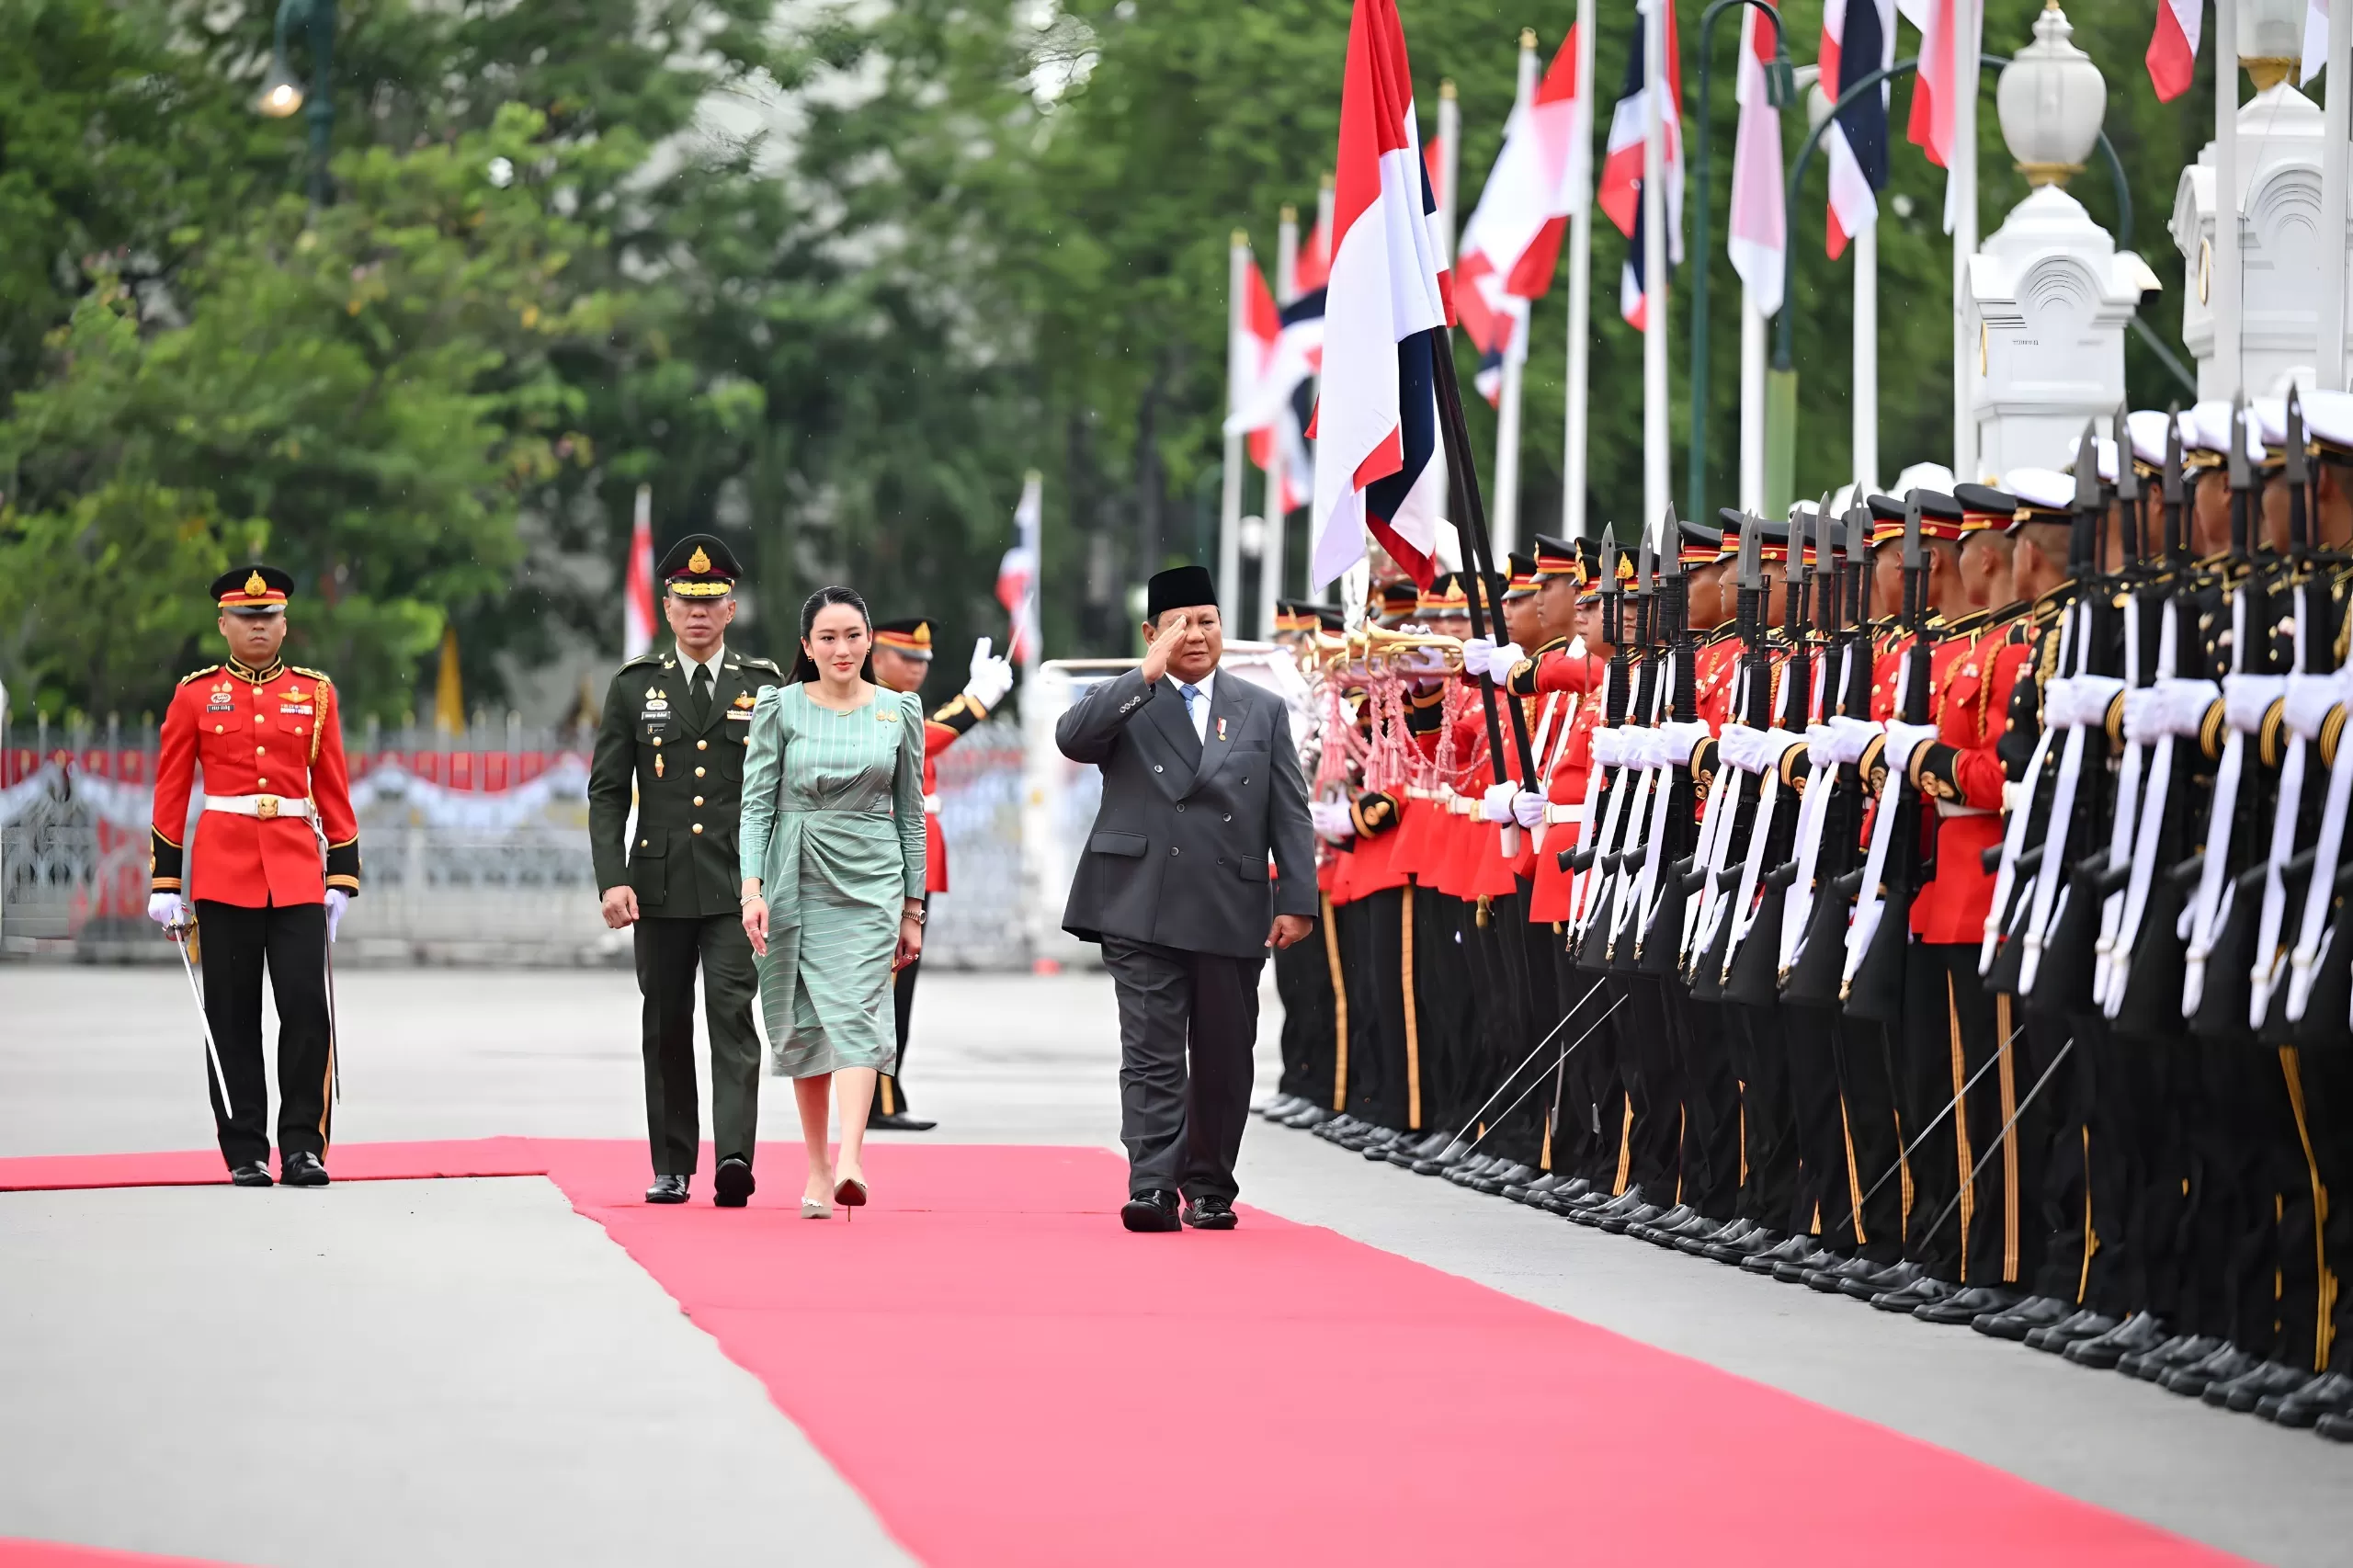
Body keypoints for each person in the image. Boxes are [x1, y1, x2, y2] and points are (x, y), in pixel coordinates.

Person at [1056, 564, 1318, 1232]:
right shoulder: (1129, 698)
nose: (1196, 635)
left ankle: (1208, 1186)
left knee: (1225, 1058)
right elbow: (1073, 738)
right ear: (1152, 634)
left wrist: (1296, 897)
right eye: (1180, 625)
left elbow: (1289, 810)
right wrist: (1142, 675)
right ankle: (1151, 1184)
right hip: (1139, 903)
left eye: (1207, 621)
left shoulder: (1261, 709)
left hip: (1230, 903)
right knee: (1150, 1053)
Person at [147, 565, 361, 1187]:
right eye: (245, 617)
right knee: (232, 1015)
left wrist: (341, 876)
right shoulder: (195, 695)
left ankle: (302, 1146)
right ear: (224, 624)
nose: (258, 626)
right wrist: (166, 884)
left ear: (285, 624)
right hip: (224, 873)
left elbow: (333, 787)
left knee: (306, 1009)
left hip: (295, 872)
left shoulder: (315, 694)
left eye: (268, 617)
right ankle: (245, 1148)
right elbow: (170, 791)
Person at [588, 535, 785, 1208]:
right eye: (686, 601)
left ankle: (733, 1156)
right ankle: (672, 1162)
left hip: (738, 884)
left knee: (732, 1015)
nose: (698, 613)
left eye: (711, 601)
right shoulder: (634, 686)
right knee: (665, 1021)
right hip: (659, 884)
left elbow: (781, 790)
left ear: (731, 608)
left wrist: (773, 879)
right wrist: (612, 877)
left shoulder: (764, 686)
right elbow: (608, 792)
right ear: (667, 608)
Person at [738, 586, 928, 1220]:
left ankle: (851, 1159)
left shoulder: (899, 711)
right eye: (827, 637)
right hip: (793, 874)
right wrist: (752, 891)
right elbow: (756, 806)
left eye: (852, 635)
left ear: (869, 640)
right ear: (807, 646)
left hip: (872, 880)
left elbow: (910, 817)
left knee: (856, 1009)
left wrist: (912, 909)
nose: (841, 648)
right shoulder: (780, 707)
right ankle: (818, 1166)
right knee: (803, 1020)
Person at [865, 617, 1017, 1131]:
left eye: (922, 661)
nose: (917, 668)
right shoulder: (871, 705)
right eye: (906, 657)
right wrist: (976, 700)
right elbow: (925, 739)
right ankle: (879, 1099)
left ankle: (885, 1094)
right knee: (888, 984)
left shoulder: (898, 704)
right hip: (885, 863)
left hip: (913, 861)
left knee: (899, 983)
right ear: (876, 656)